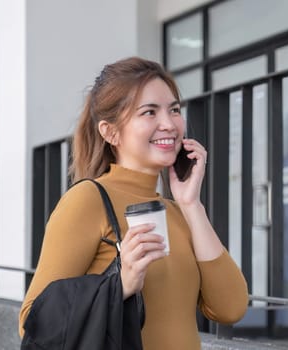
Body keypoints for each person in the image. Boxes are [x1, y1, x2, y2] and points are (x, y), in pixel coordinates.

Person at [19, 56, 249, 349]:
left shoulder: (179, 212)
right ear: (110, 132)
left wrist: (192, 205)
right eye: (149, 112)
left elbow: (231, 308)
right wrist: (121, 285)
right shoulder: (86, 200)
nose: (169, 124)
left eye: (174, 109)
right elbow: (32, 321)